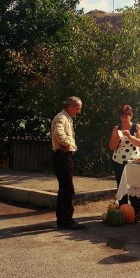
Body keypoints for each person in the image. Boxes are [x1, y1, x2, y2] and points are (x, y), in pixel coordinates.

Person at [51, 96, 83, 230]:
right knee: (67, 189)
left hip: (64, 156)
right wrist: (68, 145)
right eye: (78, 108)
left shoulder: (67, 118)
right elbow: (59, 134)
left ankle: (62, 219)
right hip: (62, 156)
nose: (79, 111)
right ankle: (66, 220)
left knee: (65, 189)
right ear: (71, 106)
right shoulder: (62, 118)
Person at [108, 104, 140, 215]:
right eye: (122, 116)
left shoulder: (136, 127)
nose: (123, 118)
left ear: (130, 116)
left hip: (133, 161)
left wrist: (130, 136)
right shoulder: (116, 128)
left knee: (134, 186)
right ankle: (123, 212)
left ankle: (136, 212)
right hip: (118, 160)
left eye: (126, 116)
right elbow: (111, 147)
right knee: (121, 185)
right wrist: (117, 138)